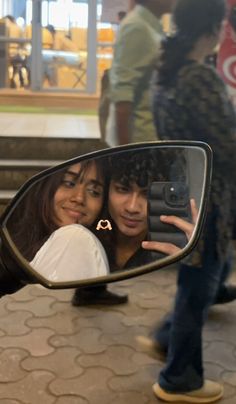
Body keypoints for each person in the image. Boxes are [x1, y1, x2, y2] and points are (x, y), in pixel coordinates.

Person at [145, 0, 236, 402]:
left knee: (193, 279)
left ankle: (167, 338)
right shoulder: (199, 75)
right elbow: (228, 145)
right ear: (213, 29)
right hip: (206, 196)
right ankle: (179, 378)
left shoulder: (167, 70)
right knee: (197, 287)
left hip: (176, 187)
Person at [105, 0, 176, 146]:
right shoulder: (137, 26)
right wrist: (125, 154)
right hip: (138, 143)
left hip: (145, 140)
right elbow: (123, 94)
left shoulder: (150, 25)